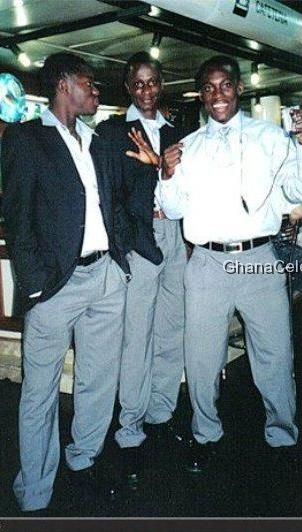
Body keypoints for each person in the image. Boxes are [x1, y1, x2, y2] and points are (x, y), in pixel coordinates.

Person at [155, 55, 302, 473]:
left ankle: (283, 433)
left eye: (224, 85)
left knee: (275, 354)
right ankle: (205, 433)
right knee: (201, 358)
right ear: (200, 96)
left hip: (259, 260)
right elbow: (173, 209)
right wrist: (166, 175)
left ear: (239, 88)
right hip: (206, 263)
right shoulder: (187, 148)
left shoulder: (271, 138)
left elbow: (295, 192)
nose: (217, 94)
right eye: (208, 87)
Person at [2, 52, 130, 512]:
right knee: (40, 391)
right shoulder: (26, 139)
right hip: (56, 285)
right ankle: (35, 489)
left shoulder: (95, 141)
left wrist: (120, 262)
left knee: (99, 380)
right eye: (88, 82)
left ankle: (84, 458)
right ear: (63, 85)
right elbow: (17, 219)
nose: (95, 91)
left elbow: (111, 204)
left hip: (105, 277)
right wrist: (36, 286)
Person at [95, 52, 187, 484]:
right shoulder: (113, 132)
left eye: (152, 82)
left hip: (176, 236)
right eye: (138, 83)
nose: (146, 91)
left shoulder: (177, 132)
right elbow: (108, 196)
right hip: (140, 240)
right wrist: (125, 248)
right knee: (137, 338)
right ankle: (129, 426)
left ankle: (160, 413)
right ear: (128, 87)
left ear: (161, 84)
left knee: (171, 330)